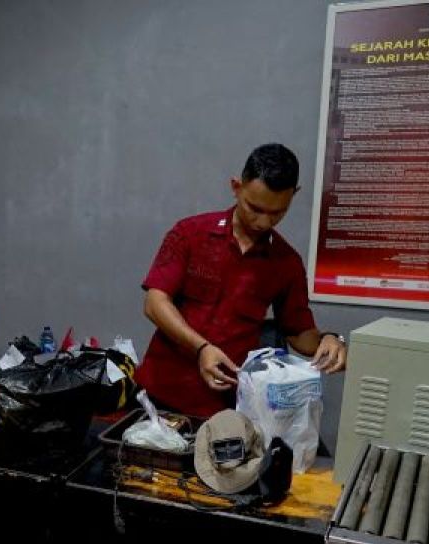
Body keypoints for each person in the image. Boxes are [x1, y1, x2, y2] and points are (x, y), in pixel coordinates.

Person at [136, 143, 347, 418]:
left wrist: (330, 340)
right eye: (255, 208)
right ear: (236, 187)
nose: (263, 222)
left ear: (293, 196)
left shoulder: (286, 262)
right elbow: (154, 302)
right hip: (159, 394)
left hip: (225, 406)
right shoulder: (190, 234)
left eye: (277, 213)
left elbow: (299, 333)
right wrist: (202, 348)